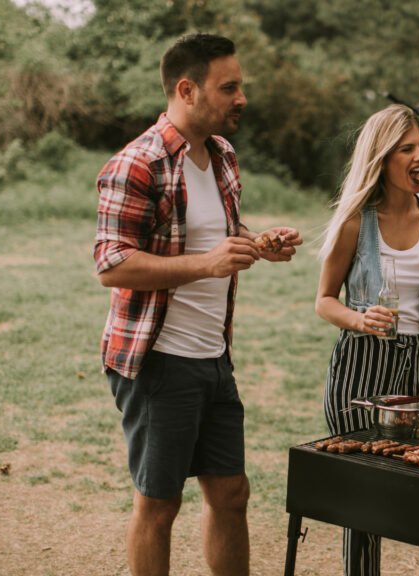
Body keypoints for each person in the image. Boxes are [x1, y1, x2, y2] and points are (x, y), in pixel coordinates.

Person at [93, 33, 302, 576]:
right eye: (228, 87)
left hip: (214, 356)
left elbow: (215, 235)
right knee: (159, 505)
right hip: (159, 360)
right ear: (187, 89)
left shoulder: (223, 156)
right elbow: (112, 265)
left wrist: (258, 244)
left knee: (231, 493)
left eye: (241, 86)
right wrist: (206, 264)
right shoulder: (136, 164)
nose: (242, 98)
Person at [314, 103, 419, 576]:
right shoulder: (355, 222)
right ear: (382, 158)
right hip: (359, 371)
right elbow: (324, 300)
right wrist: (360, 320)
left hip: (417, 371)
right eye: (407, 148)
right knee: (364, 509)